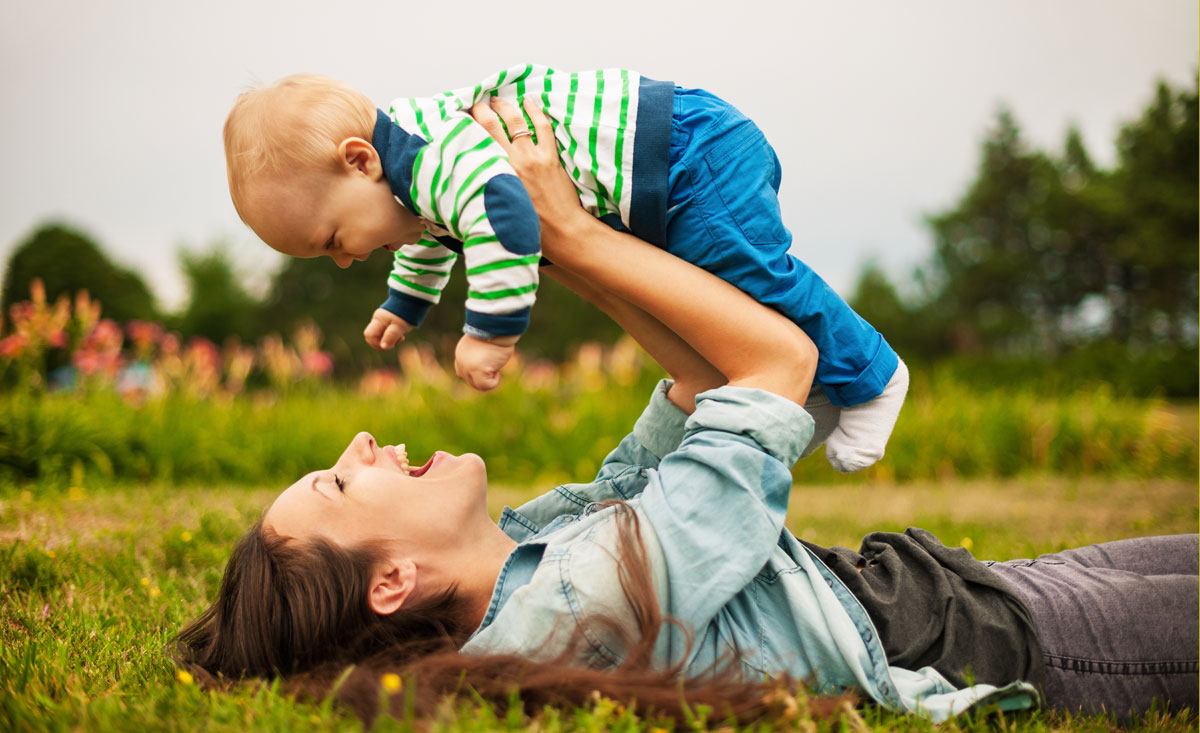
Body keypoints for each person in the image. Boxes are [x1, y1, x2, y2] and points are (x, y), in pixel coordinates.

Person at [177, 102, 1198, 726]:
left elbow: (701, 392)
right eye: (340, 479)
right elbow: (775, 362)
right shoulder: (577, 606)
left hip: (954, 588)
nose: (360, 443)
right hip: (999, 638)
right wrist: (565, 238)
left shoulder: (537, 555)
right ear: (394, 580)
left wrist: (562, 236)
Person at [221, 64, 908, 473]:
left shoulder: (434, 158)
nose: (344, 258)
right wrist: (405, 305)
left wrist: (488, 332)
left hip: (687, 150)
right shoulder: (409, 182)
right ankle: (817, 383)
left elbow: (503, 216)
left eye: (333, 236)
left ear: (359, 160)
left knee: (753, 277)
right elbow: (432, 240)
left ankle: (874, 375)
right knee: (724, 298)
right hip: (661, 174)